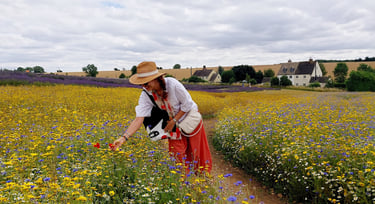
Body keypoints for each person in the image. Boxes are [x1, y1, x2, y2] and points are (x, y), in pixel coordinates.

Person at [111, 61, 212, 173]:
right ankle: (185, 183)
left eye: (145, 82)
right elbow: (139, 118)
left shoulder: (173, 84)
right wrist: (123, 138)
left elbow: (187, 104)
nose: (143, 86)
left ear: (156, 78)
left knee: (197, 152)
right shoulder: (146, 94)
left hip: (189, 119)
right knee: (177, 157)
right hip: (172, 125)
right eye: (141, 84)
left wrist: (174, 120)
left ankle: (204, 181)